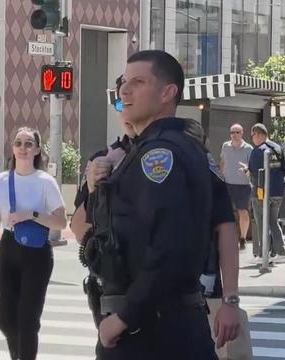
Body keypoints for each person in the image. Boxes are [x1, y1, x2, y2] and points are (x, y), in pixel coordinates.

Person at [73, 77, 242, 358]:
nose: (126, 107)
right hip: (120, 311)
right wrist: (94, 188)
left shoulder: (184, 152)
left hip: (178, 311)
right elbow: (80, 232)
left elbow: (224, 224)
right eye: (120, 101)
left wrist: (231, 300)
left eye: (134, 96)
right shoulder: (102, 160)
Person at [94, 50, 217, 359]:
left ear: (167, 92)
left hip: (152, 330)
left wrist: (123, 319)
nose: (125, 90)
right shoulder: (182, 148)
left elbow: (168, 248)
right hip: (171, 324)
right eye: (124, 81)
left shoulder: (158, 154)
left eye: (138, 82)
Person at [0, 127, 67, 360]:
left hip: (37, 252)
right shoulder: (0, 181)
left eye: (29, 144)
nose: (23, 148)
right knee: (4, 317)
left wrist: (31, 214)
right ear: (12, 148)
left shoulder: (45, 182)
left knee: (28, 319)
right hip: (9, 246)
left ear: (37, 150)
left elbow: (61, 222)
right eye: (18, 143)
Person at [247, 123, 285, 264]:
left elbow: (253, 173)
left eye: (252, 135)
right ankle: (281, 253)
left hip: (262, 193)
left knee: (261, 223)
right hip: (278, 192)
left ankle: (262, 255)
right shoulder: (277, 148)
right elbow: (284, 168)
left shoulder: (258, 151)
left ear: (257, 134)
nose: (252, 138)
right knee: (273, 222)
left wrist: (245, 171)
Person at [220, 124, 254, 250]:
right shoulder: (226, 146)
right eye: (232, 132)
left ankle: (243, 238)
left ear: (242, 133)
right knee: (227, 212)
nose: (234, 135)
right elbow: (222, 162)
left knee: (243, 212)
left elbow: (252, 168)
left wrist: (246, 170)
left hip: (243, 185)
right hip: (228, 184)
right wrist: (221, 178)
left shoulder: (248, 148)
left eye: (237, 132)